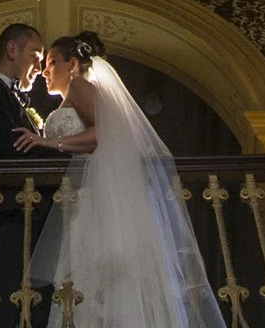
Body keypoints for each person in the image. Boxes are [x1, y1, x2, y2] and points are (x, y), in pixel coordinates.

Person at [12, 31, 225, 328]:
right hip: (84, 199)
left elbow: (102, 134)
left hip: (94, 204)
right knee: (87, 285)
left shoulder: (79, 86)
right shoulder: (79, 92)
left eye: (51, 62)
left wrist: (47, 142)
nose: (45, 71)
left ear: (72, 64)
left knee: (96, 284)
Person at [0, 22, 59, 328]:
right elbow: (10, 145)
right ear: (12, 49)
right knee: (3, 296)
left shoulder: (17, 98)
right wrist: (66, 155)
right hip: (8, 209)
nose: (39, 66)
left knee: (36, 300)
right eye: (35, 55)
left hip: (32, 211)